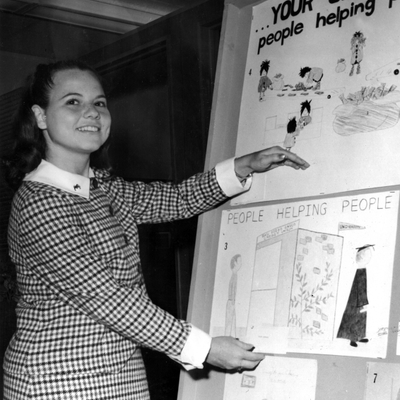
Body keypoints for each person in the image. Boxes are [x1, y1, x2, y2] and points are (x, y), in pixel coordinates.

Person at [3, 60, 310, 400]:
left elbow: (177, 199)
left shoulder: (104, 188)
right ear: (41, 116)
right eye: (73, 102)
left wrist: (242, 166)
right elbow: (107, 299)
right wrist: (205, 348)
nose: (91, 113)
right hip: (58, 382)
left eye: (99, 103)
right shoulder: (39, 203)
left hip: (120, 377)